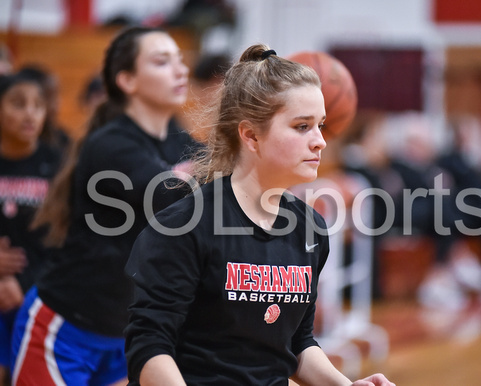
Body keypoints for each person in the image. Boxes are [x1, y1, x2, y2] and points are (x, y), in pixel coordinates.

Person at [124, 44, 395, 385]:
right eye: (302, 126)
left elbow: (297, 344)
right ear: (251, 136)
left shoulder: (310, 228)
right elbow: (149, 349)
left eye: (321, 126)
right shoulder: (184, 225)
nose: (320, 142)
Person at [10, 26, 201, 385]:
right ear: (126, 80)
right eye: (162, 62)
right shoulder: (110, 145)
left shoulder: (183, 145)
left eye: (181, 61)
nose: (180, 70)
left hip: (128, 337)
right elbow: (168, 195)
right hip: (64, 329)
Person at [0, 72, 62, 385]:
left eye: (38, 106)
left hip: (39, 292)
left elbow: (63, 243)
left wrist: (21, 284)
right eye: (18, 104)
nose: (30, 114)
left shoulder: (60, 164)